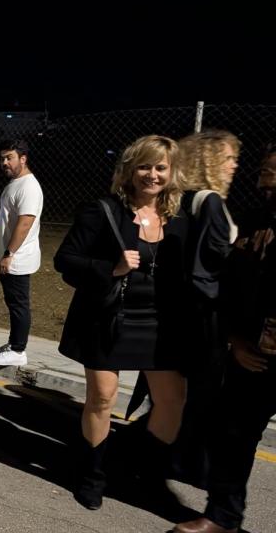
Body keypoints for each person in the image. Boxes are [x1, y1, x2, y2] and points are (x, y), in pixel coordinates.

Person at [54, 135, 189, 512]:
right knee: (101, 398)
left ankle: (143, 469)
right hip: (108, 318)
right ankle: (92, 475)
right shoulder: (104, 211)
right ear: (129, 170)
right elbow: (65, 260)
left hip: (159, 323)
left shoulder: (179, 217)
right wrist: (110, 268)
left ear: (171, 172)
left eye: (161, 167)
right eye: (145, 166)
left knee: (172, 399)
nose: (152, 175)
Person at [172, 146, 276, 533]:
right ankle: (223, 516)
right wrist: (235, 338)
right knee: (233, 433)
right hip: (253, 352)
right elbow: (229, 284)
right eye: (261, 173)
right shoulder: (256, 220)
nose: (260, 181)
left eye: (269, 173)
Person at [170, 129, 241, 487]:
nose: (234, 165)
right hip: (207, 313)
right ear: (209, 160)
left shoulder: (185, 197)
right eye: (228, 158)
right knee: (205, 392)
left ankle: (174, 451)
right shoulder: (210, 200)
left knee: (181, 392)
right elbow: (213, 264)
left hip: (182, 310)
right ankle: (188, 461)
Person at [0, 139, 43, 367]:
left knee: (19, 304)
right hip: (9, 256)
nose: (4, 163)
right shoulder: (15, 183)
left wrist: (9, 253)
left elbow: (25, 222)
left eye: (9, 157)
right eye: (2, 158)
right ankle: (13, 344)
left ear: (23, 159)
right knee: (13, 303)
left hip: (17, 258)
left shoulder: (29, 186)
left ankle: (18, 351)